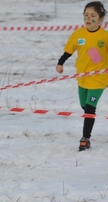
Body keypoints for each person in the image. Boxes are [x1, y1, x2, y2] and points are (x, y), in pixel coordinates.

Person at [56, 1, 108, 151]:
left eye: (93, 16)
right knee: (84, 106)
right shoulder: (78, 34)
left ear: (100, 19)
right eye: (86, 15)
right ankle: (88, 119)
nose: (88, 19)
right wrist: (61, 63)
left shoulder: (104, 36)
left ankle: (85, 138)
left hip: (99, 79)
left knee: (90, 109)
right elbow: (69, 50)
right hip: (83, 78)